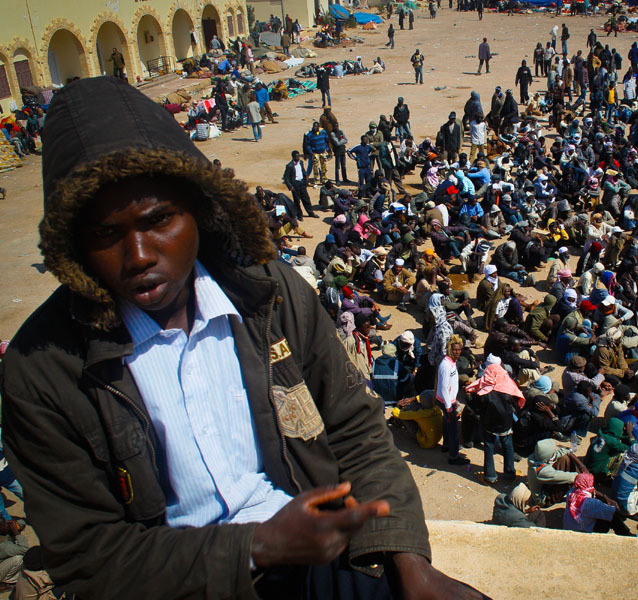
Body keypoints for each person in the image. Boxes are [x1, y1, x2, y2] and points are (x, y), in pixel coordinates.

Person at [2, 76, 480, 599]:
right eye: (106, 234)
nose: (138, 254)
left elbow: (354, 426)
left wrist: (409, 564)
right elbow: (89, 558)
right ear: (73, 242)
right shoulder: (44, 365)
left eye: (158, 219)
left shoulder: (268, 292)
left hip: (316, 554)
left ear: (201, 210)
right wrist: (257, 547)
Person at [437, 336, 469, 465]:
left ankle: (446, 445)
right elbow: (444, 387)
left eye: (459, 350)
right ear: (450, 349)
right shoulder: (446, 365)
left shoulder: (451, 362)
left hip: (448, 400)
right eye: (455, 350)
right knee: (453, 428)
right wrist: (449, 407)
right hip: (446, 401)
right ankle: (454, 456)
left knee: (446, 422)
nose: (458, 352)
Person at [283, 149, 318, 219]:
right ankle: (299, 215)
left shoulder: (301, 162)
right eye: (296, 156)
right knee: (297, 201)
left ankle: (310, 212)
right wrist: (290, 187)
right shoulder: (289, 166)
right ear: (293, 157)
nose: (298, 158)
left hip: (302, 183)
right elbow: (286, 178)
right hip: (295, 184)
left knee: (306, 199)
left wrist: (305, 180)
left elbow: (303, 171)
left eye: (298, 156)